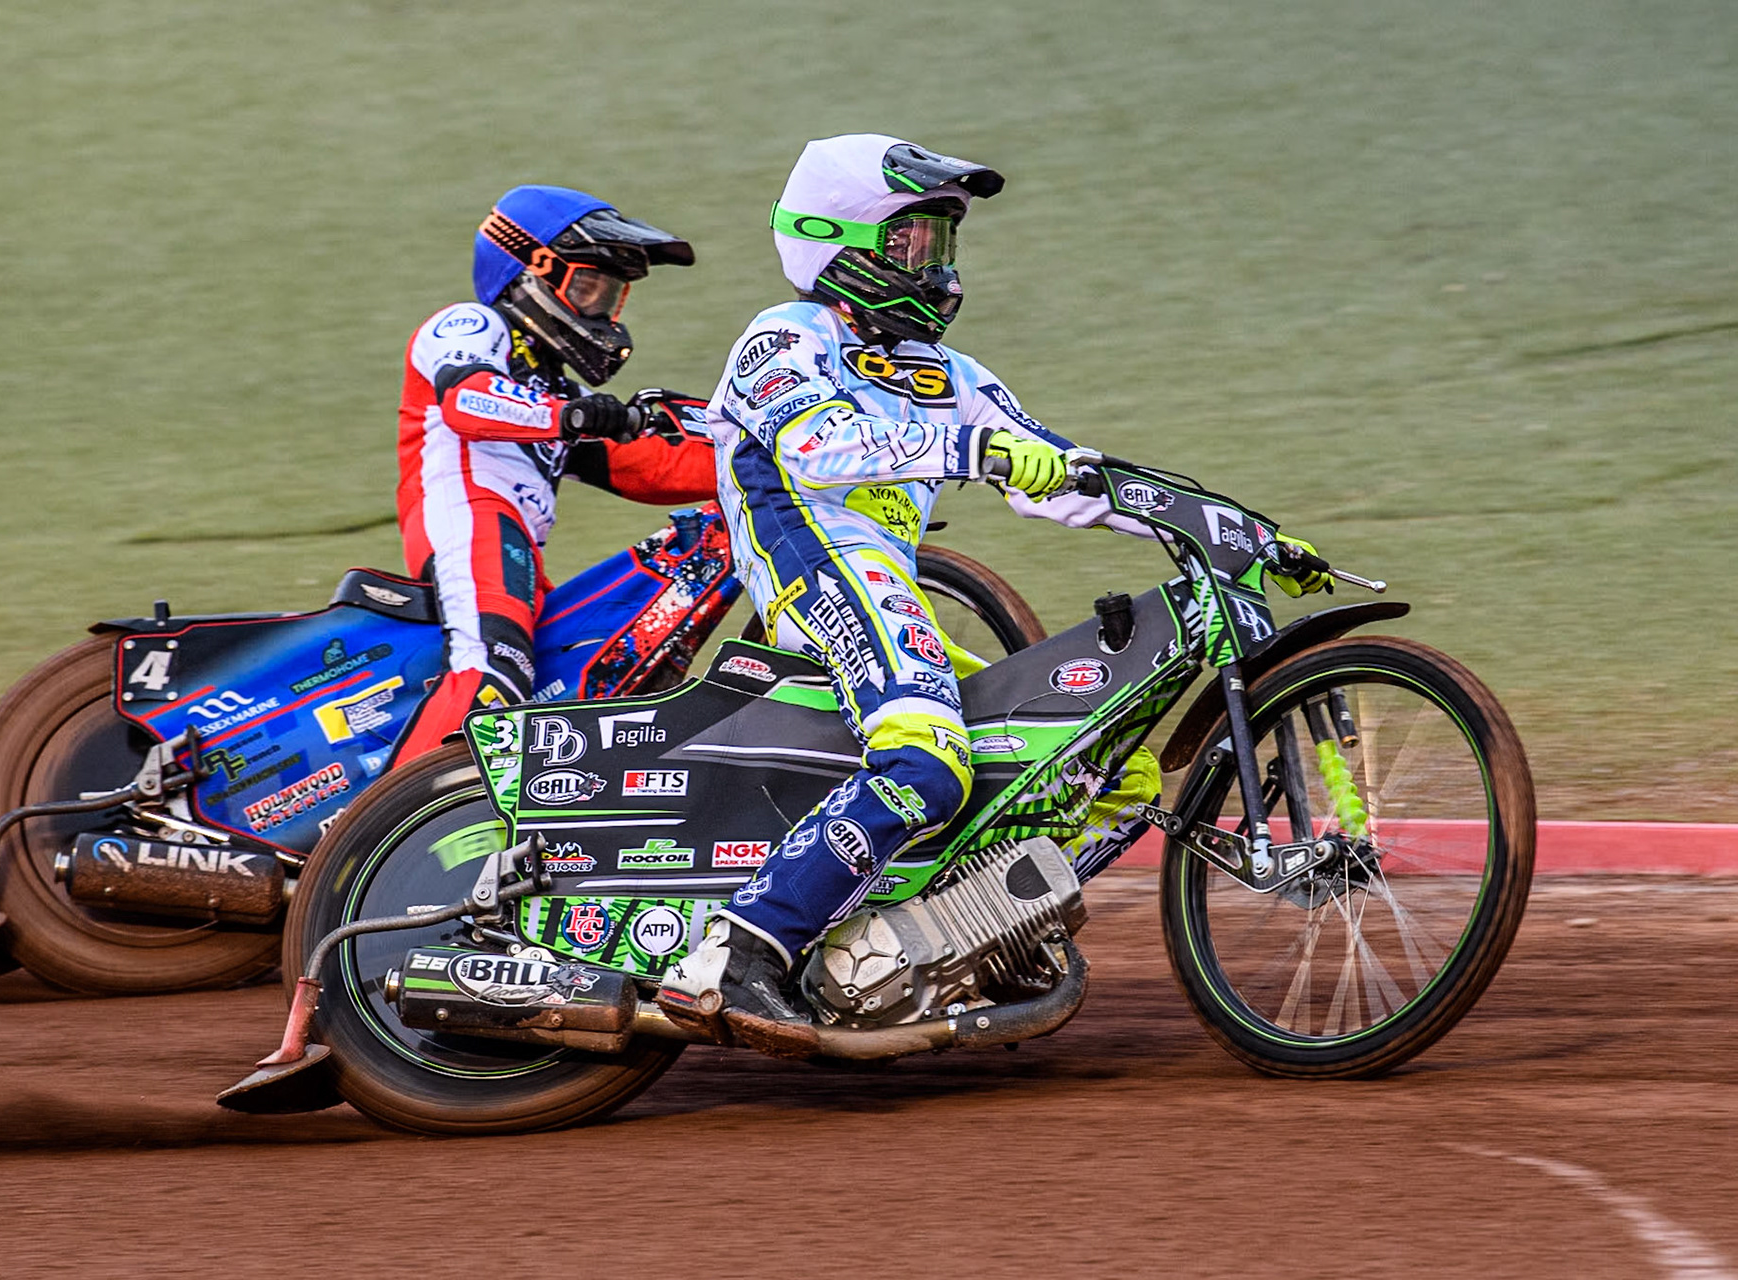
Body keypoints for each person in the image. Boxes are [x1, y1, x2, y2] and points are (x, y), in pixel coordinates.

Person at [658, 134, 1331, 1055]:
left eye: (942, 245)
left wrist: (1238, 529)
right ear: (839, 241)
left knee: (1104, 766)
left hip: (885, 586)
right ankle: (741, 949)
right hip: (814, 563)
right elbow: (817, 447)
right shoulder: (786, 336)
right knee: (927, 760)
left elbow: (1067, 476)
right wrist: (975, 451)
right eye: (912, 244)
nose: (936, 267)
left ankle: (945, 935)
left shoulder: (953, 376)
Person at [392, 185, 719, 764]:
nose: (600, 307)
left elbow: (646, 468)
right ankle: (381, 824)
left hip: (516, 547)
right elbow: (466, 399)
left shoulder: (556, 393)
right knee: (495, 669)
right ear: (529, 270)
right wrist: (569, 416)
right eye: (587, 285)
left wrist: (782, 468)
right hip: (469, 515)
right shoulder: (470, 323)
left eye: (609, 293)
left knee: (555, 700)